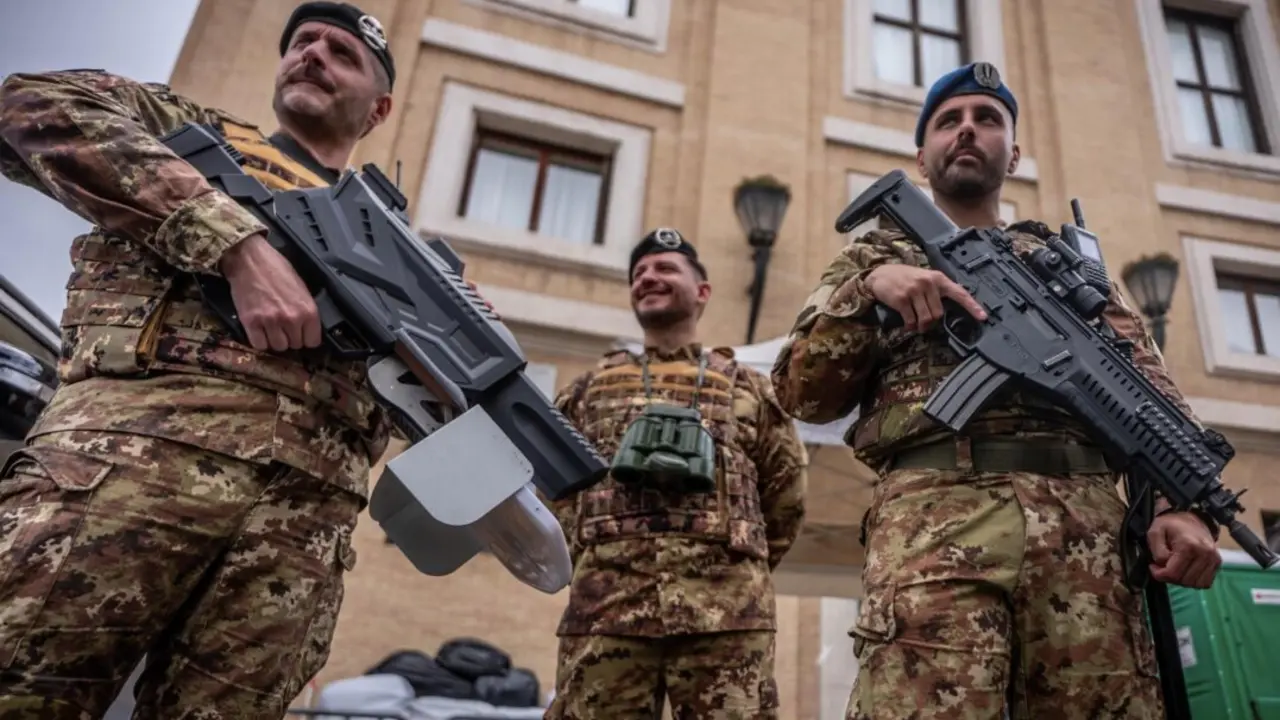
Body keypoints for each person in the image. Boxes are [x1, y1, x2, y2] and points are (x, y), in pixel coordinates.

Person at [771, 62, 1223, 720]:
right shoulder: (872, 260)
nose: (967, 131)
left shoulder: (1074, 272)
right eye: (949, 121)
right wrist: (868, 296)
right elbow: (800, 394)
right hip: (934, 520)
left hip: (1087, 538)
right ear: (920, 155)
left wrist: (1189, 507)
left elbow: (1151, 399)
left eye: (988, 120)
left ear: (1015, 153)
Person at [0, 3, 402, 718]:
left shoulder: (398, 245)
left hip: (301, 525)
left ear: (379, 110)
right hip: (125, 462)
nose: (313, 53)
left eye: (343, 54)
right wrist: (233, 243)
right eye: (303, 41)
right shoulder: (190, 132)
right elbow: (31, 103)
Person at [544, 228, 808, 720]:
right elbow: (557, 491)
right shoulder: (586, 392)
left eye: (665, 268)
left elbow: (786, 493)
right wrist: (595, 564)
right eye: (639, 273)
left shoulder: (749, 387)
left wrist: (734, 570)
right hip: (606, 613)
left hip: (726, 616)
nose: (648, 278)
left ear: (702, 292)